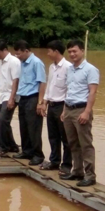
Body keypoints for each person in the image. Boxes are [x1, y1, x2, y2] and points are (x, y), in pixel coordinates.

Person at [60, 39, 99, 187]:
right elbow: (69, 90)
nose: (72, 54)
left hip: (81, 110)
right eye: (69, 51)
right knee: (73, 143)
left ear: (82, 51)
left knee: (86, 144)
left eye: (75, 51)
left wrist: (87, 112)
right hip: (69, 109)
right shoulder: (69, 69)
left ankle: (90, 175)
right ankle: (77, 171)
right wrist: (64, 110)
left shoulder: (90, 69)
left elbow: (93, 92)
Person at [39, 40, 72, 174]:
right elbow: (49, 85)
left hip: (62, 105)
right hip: (51, 104)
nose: (47, 54)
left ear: (56, 52)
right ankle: (54, 161)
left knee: (66, 137)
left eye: (49, 51)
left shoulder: (68, 67)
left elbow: (70, 89)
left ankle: (67, 165)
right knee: (53, 136)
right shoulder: (52, 67)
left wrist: (65, 109)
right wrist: (44, 102)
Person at [13, 40, 46, 166]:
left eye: (19, 54)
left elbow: (42, 82)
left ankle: (38, 155)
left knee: (34, 128)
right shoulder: (22, 63)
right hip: (23, 97)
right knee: (24, 126)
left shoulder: (36, 63)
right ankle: (27, 151)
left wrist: (40, 102)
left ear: (26, 51)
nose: (18, 56)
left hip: (33, 97)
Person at [0, 40, 21, 157]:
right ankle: (12, 146)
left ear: (4, 50)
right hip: (3, 95)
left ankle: (3, 147)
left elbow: (15, 80)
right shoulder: (1, 62)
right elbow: (4, 79)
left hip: (10, 96)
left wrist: (11, 99)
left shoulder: (14, 61)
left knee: (3, 120)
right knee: (4, 121)